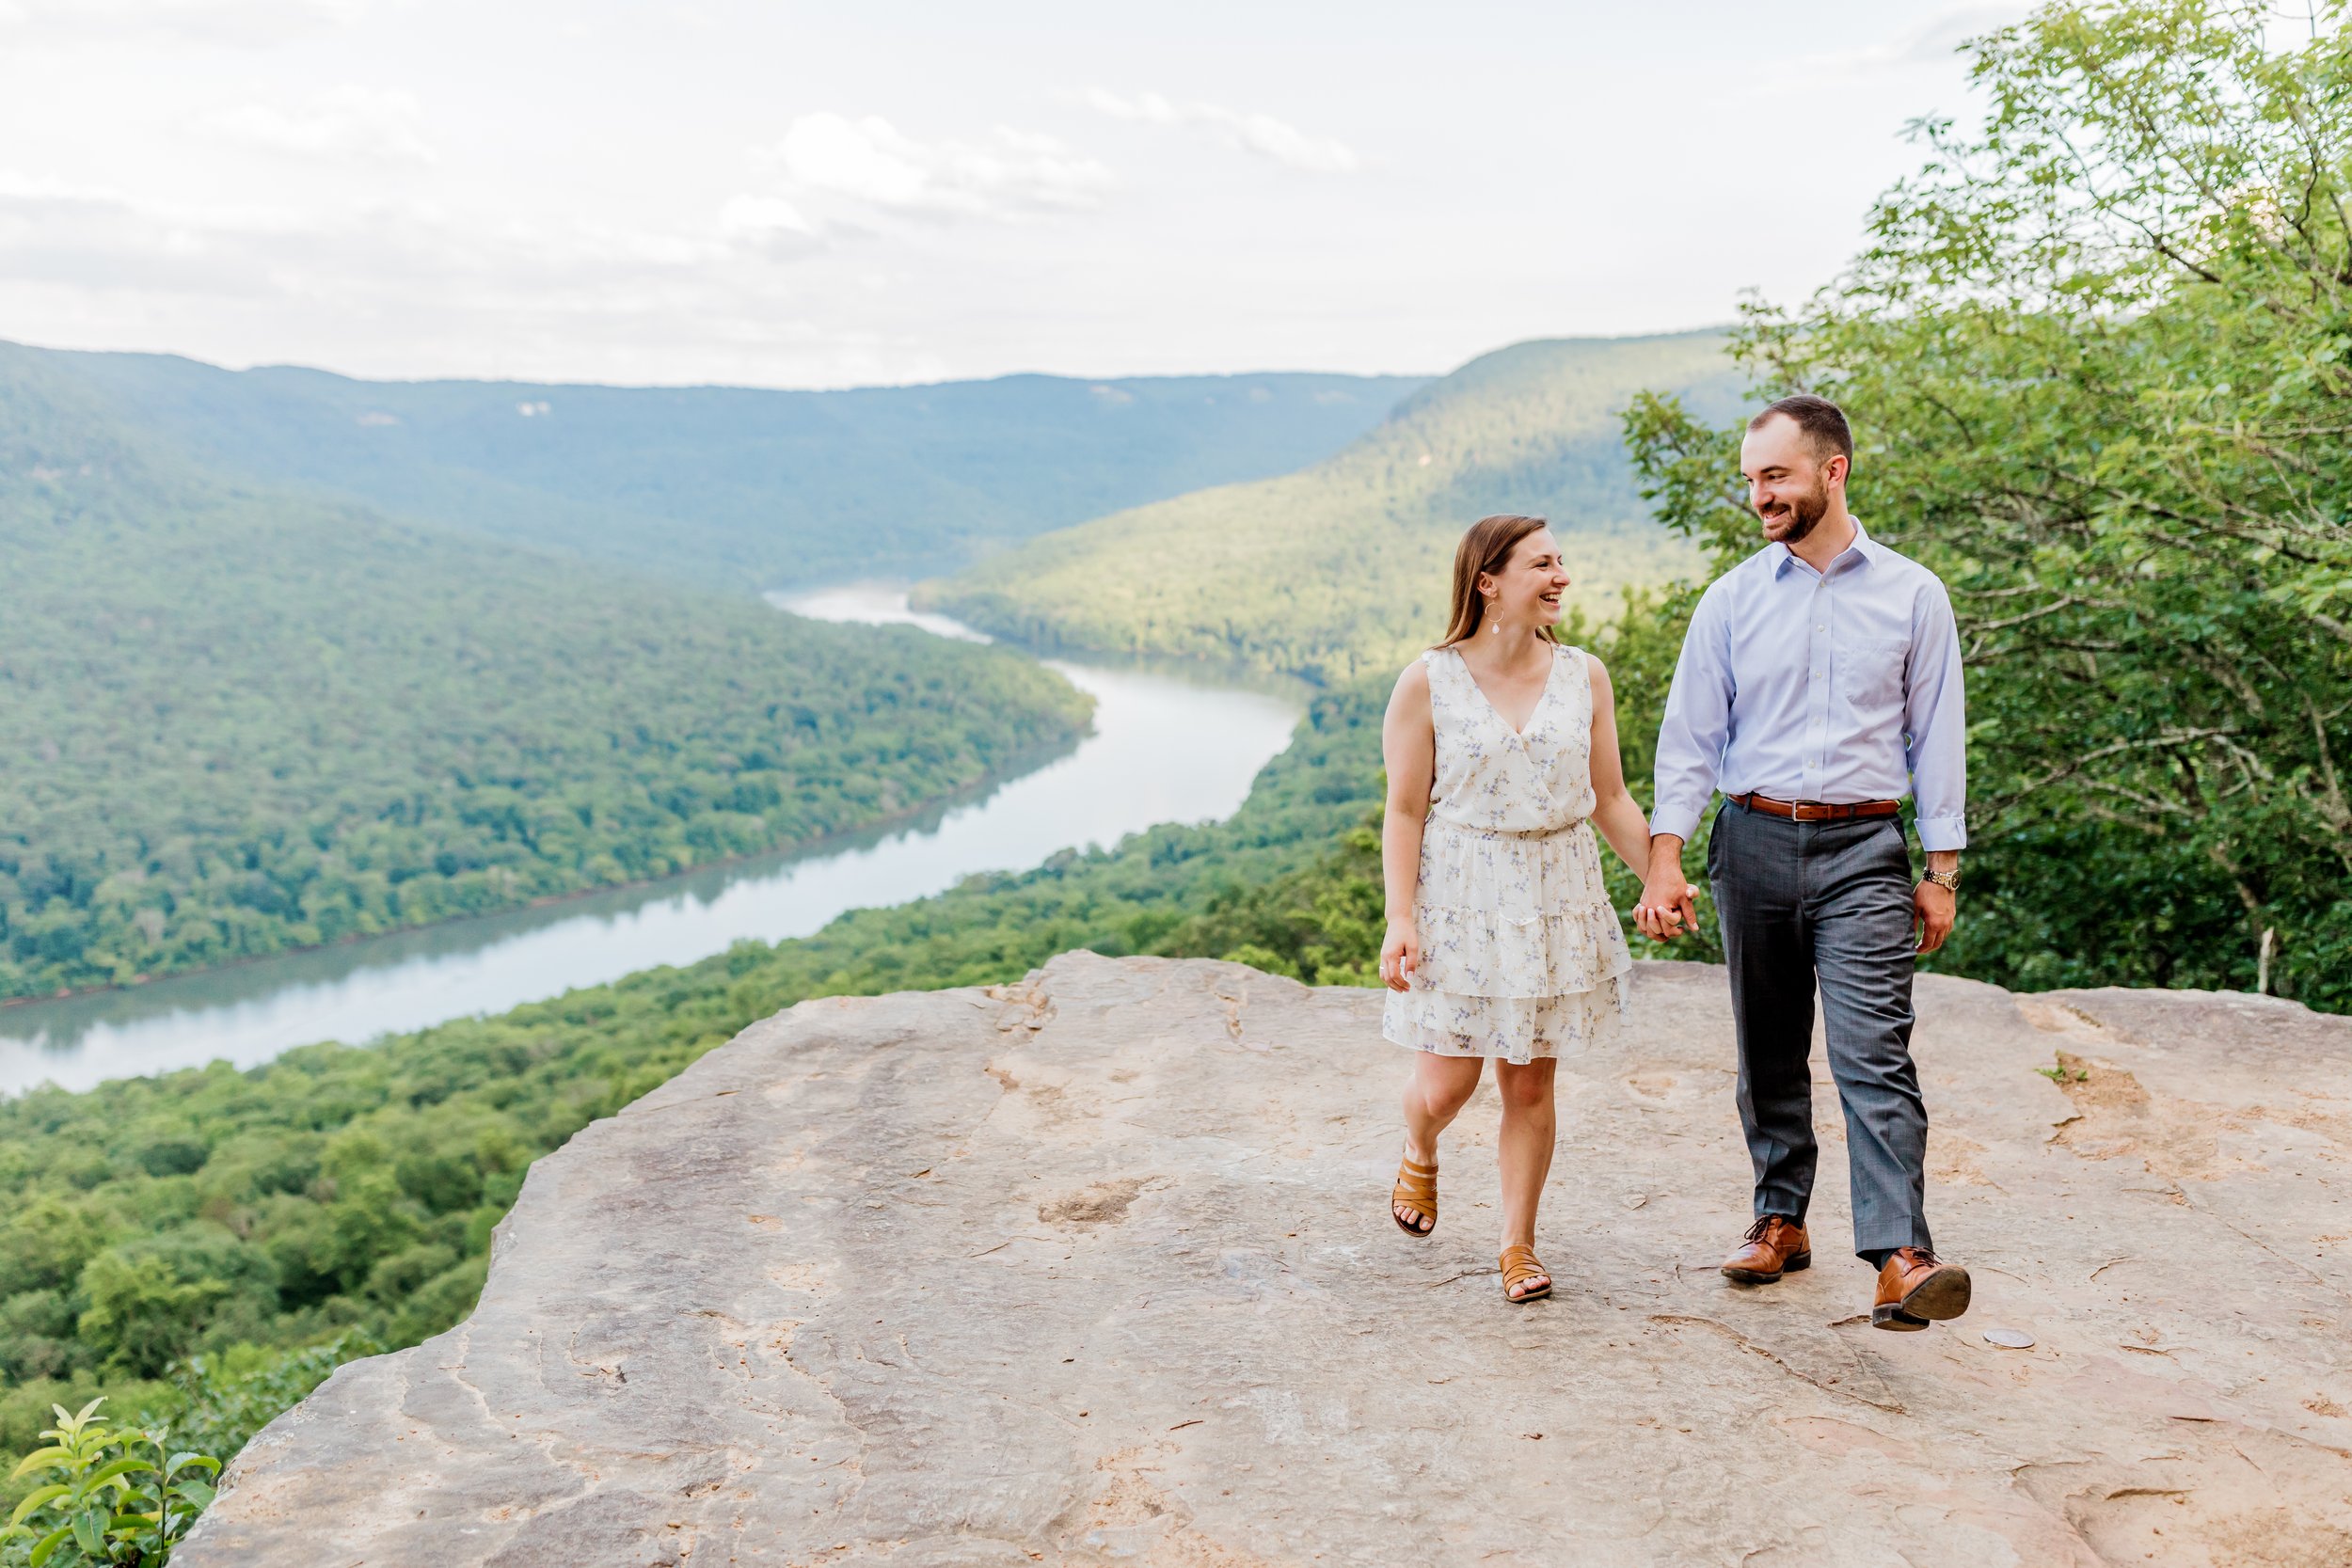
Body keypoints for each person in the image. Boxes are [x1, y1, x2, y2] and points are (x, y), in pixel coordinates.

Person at [1634, 394, 1972, 1332]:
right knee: (1768, 1048)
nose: (1758, 496)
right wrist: (1665, 859)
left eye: (1774, 476)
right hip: (1749, 840)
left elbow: (1936, 738)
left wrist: (1939, 869)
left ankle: (1901, 1255)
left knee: (1874, 1049)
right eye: (1750, 479)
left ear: (1833, 471)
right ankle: (1780, 1217)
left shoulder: (1913, 594)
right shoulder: (1733, 599)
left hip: (1865, 848)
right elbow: (1688, 741)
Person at [1379, 513, 1651, 1304]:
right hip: (1462, 896)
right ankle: (1420, 1146)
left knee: (1529, 1084)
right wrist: (1403, 917)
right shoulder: (1427, 679)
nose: (1561, 576)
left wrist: (1657, 875)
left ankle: (1517, 1243)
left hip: (1555, 893)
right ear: (1488, 581)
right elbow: (1403, 811)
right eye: (1543, 563)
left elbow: (1610, 796)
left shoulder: (1585, 675)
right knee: (1448, 1087)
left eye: (1562, 560)